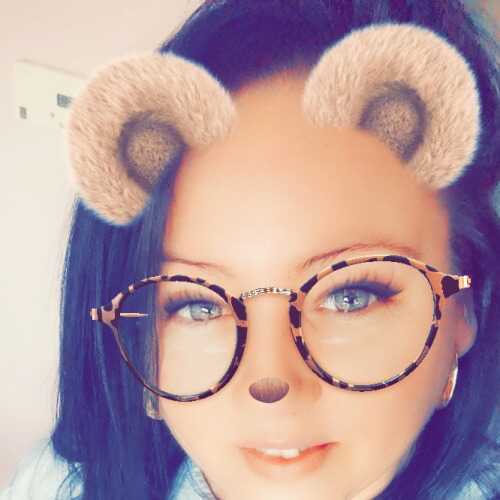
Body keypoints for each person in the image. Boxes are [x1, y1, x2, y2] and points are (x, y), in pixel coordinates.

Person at [1, 1, 499, 499]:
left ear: (463, 310)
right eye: (197, 305)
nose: (270, 383)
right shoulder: (58, 487)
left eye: (350, 296)